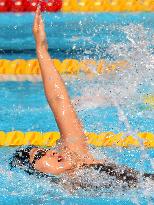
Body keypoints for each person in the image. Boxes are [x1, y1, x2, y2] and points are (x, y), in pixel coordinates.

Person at [10, 7, 154, 191]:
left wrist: (42, 50)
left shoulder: (77, 156)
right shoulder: (59, 192)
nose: (52, 152)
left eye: (44, 150)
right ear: (33, 172)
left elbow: (59, 100)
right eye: (39, 156)